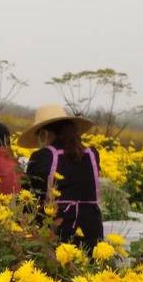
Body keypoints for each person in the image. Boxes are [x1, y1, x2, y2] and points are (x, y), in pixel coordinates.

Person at [20, 104, 103, 250]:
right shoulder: (92, 154)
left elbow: (29, 199)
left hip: (57, 232)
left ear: (44, 133)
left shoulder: (43, 156)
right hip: (91, 232)